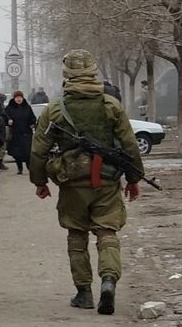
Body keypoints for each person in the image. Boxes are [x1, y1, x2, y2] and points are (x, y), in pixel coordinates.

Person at [30, 49, 143, 315]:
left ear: (66, 75)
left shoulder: (55, 109)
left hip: (71, 184)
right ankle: (108, 280)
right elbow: (129, 145)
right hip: (106, 181)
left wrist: (40, 181)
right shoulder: (110, 105)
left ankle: (83, 293)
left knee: (76, 234)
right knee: (107, 233)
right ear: (94, 72)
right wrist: (134, 178)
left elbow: (38, 150)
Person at [5, 91, 36, 174]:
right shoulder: (9, 108)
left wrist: (32, 123)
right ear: (14, 98)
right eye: (17, 97)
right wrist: (8, 121)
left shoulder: (27, 107)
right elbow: (4, 118)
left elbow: (32, 118)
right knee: (17, 153)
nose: (19, 99)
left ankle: (30, 168)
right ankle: (20, 168)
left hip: (26, 133)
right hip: (15, 134)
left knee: (27, 152)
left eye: (20, 97)